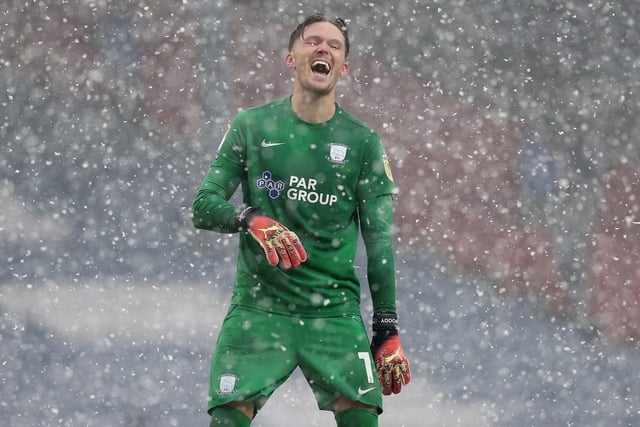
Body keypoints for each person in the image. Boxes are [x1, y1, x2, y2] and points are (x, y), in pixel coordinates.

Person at [192, 13, 410, 427]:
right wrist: (251, 219)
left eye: (334, 45)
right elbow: (203, 205)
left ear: (343, 67)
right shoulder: (251, 126)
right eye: (312, 42)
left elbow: (380, 241)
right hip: (259, 308)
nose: (322, 49)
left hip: (333, 314)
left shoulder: (363, 143)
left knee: (362, 416)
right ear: (291, 58)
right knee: (227, 416)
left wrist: (386, 329)